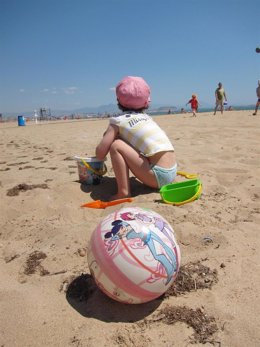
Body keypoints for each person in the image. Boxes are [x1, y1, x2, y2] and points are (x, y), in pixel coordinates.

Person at [95, 76, 177, 200]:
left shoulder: (118, 121)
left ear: (118, 100)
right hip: (172, 172)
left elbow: (100, 154)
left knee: (116, 145)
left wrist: (109, 134)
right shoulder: (147, 118)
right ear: (146, 101)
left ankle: (123, 192)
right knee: (130, 143)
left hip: (157, 177)